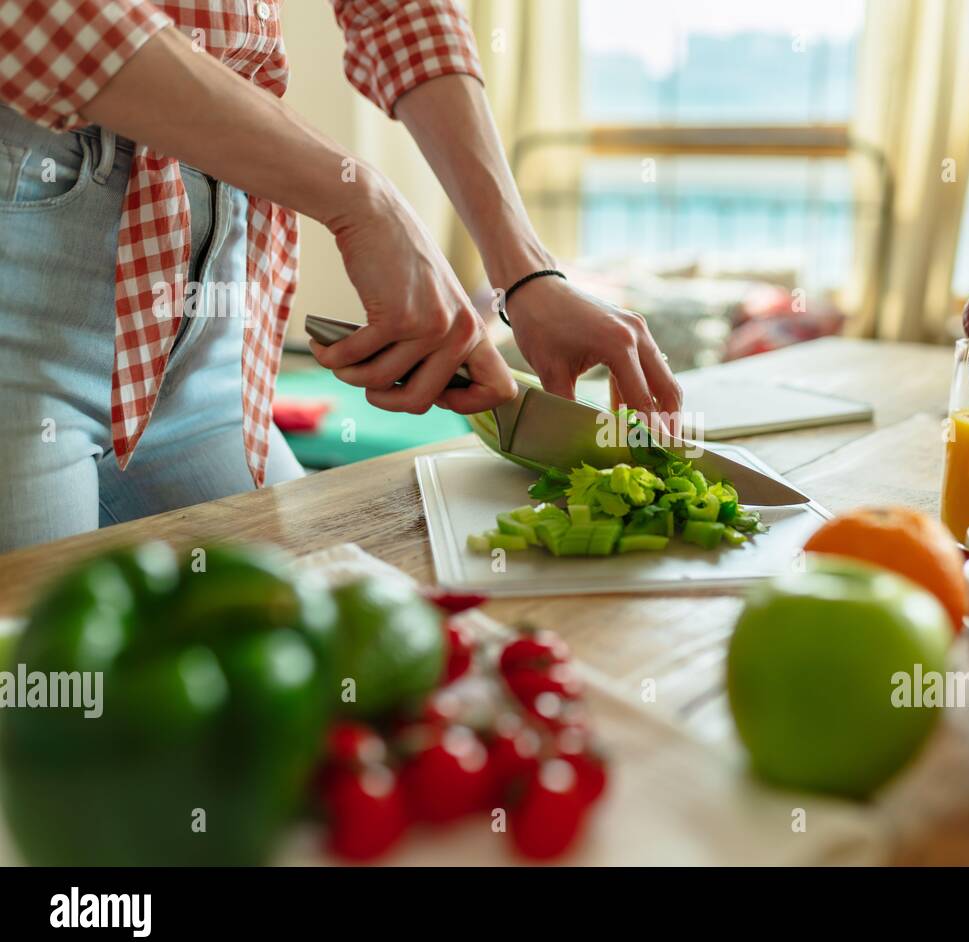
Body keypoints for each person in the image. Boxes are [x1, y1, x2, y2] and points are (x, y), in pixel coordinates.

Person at [0, 0, 681, 552]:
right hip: (26, 226)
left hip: (212, 307)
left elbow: (398, 10)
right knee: (35, 691)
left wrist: (527, 275)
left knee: (310, 636)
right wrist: (363, 201)